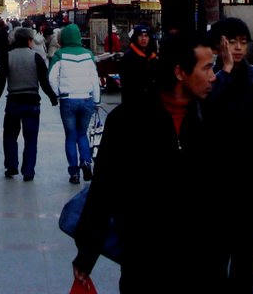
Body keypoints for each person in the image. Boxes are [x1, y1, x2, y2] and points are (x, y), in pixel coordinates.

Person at [71, 30, 218, 293]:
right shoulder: (127, 122)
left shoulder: (211, 122)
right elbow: (104, 190)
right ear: (180, 72)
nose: (213, 76)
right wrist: (87, 253)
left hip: (199, 262)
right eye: (207, 68)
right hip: (144, 262)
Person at [203, 17, 253, 294]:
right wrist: (223, 72)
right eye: (232, 42)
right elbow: (205, 116)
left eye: (243, 42)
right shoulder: (209, 78)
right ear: (219, 45)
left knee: (245, 254)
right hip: (216, 181)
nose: (237, 48)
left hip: (251, 179)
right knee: (216, 254)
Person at [0, 25, 58, 181]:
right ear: (28, 41)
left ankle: (12, 166)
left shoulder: (8, 57)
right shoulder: (36, 58)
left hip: (13, 103)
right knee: (31, 138)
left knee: (10, 136)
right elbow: (44, 82)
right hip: (32, 103)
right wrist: (53, 97)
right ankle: (28, 171)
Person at [48, 24, 101, 184]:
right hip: (86, 100)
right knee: (82, 134)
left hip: (68, 100)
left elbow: (51, 77)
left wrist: (58, 94)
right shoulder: (88, 55)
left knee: (70, 137)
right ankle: (86, 161)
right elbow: (95, 81)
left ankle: (74, 172)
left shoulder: (59, 55)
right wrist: (97, 101)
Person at [118, 24, 157, 104]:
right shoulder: (128, 57)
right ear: (135, 38)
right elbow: (126, 83)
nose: (143, 39)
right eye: (140, 36)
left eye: (146, 36)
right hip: (134, 100)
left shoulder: (153, 57)